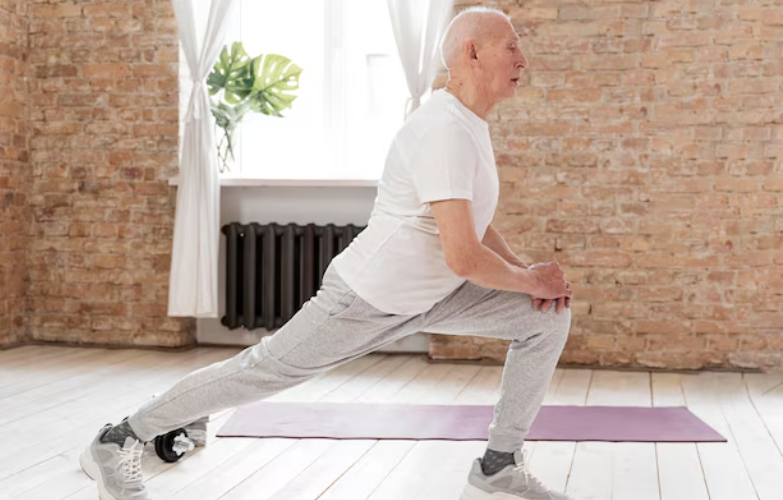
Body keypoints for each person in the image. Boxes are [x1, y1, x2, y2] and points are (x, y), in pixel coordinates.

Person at [79, 7, 575, 500]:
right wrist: (532, 281)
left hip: (430, 294)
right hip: (365, 297)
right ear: (472, 52)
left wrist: (524, 273)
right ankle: (119, 437)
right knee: (264, 372)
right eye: (511, 46)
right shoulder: (443, 130)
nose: (522, 59)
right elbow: (464, 257)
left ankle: (498, 465)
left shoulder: (468, 123)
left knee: (543, 318)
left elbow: (475, 224)